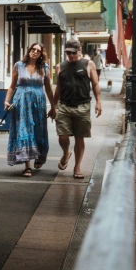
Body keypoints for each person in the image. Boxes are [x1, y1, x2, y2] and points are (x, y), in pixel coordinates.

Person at [52, 39, 102, 180]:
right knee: (63, 136)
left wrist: (99, 102)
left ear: (79, 51)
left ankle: (77, 166)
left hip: (82, 106)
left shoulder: (88, 64)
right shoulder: (60, 66)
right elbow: (58, 89)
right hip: (64, 106)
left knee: (79, 138)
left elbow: (95, 84)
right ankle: (66, 152)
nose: (71, 56)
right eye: (68, 53)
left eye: (73, 53)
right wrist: (53, 106)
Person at [4, 42, 55, 177]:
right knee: (24, 130)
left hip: (38, 103)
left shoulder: (44, 67)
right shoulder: (19, 66)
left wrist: (54, 106)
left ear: (41, 54)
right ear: (29, 50)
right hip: (21, 103)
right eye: (33, 49)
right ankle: (27, 166)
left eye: (38, 51)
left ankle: (39, 157)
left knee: (38, 130)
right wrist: (6, 100)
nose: (35, 52)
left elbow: (49, 88)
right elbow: (12, 86)